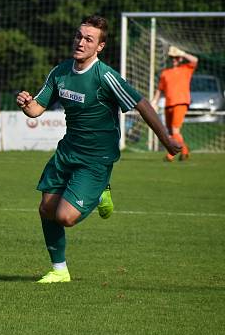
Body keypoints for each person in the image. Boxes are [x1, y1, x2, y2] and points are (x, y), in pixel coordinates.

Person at [16, 15, 182, 284]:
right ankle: (59, 270)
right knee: (46, 209)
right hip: (68, 151)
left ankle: (102, 186)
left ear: (100, 47)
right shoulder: (60, 72)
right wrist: (25, 103)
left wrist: (165, 139)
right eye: (79, 36)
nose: (81, 42)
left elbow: (141, 104)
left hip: (96, 159)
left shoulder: (106, 77)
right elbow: (36, 109)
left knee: (65, 217)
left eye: (88, 39)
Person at [151, 46, 199, 161]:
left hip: (181, 103)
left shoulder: (186, 68)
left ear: (180, 59)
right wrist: (154, 101)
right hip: (169, 104)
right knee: (171, 131)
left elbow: (195, 60)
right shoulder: (165, 73)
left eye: (176, 58)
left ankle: (171, 155)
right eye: (172, 58)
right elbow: (160, 89)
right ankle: (184, 151)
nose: (174, 60)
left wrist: (183, 53)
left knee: (175, 129)